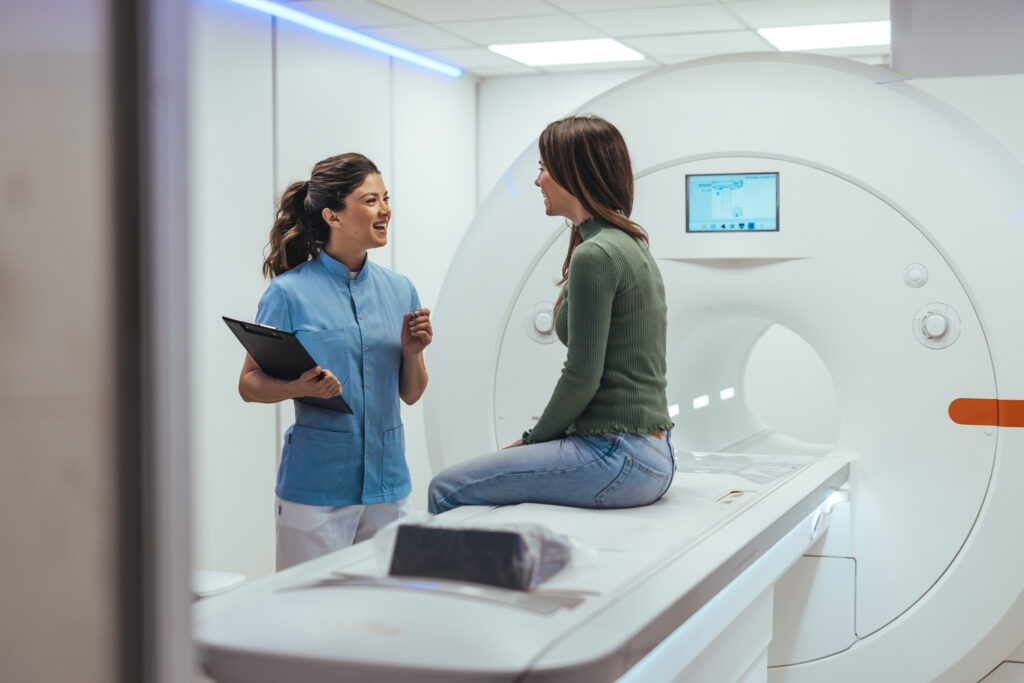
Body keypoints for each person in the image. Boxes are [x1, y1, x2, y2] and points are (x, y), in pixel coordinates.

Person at [427, 115, 674, 515]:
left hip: (617, 455)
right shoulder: (629, 242)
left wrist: (531, 440)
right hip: (652, 454)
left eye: (543, 168)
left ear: (571, 172)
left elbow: (581, 377)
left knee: (445, 487)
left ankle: (463, 579)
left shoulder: (596, 254)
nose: (537, 180)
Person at [238, 153, 432, 570]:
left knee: (382, 618)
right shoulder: (288, 294)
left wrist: (413, 356)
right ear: (333, 215)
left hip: (389, 490)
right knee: (307, 620)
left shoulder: (401, 291)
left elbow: (412, 394)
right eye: (370, 200)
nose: (385, 210)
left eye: (386, 198)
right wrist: (301, 387)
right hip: (316, 493)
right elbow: (249, 384)